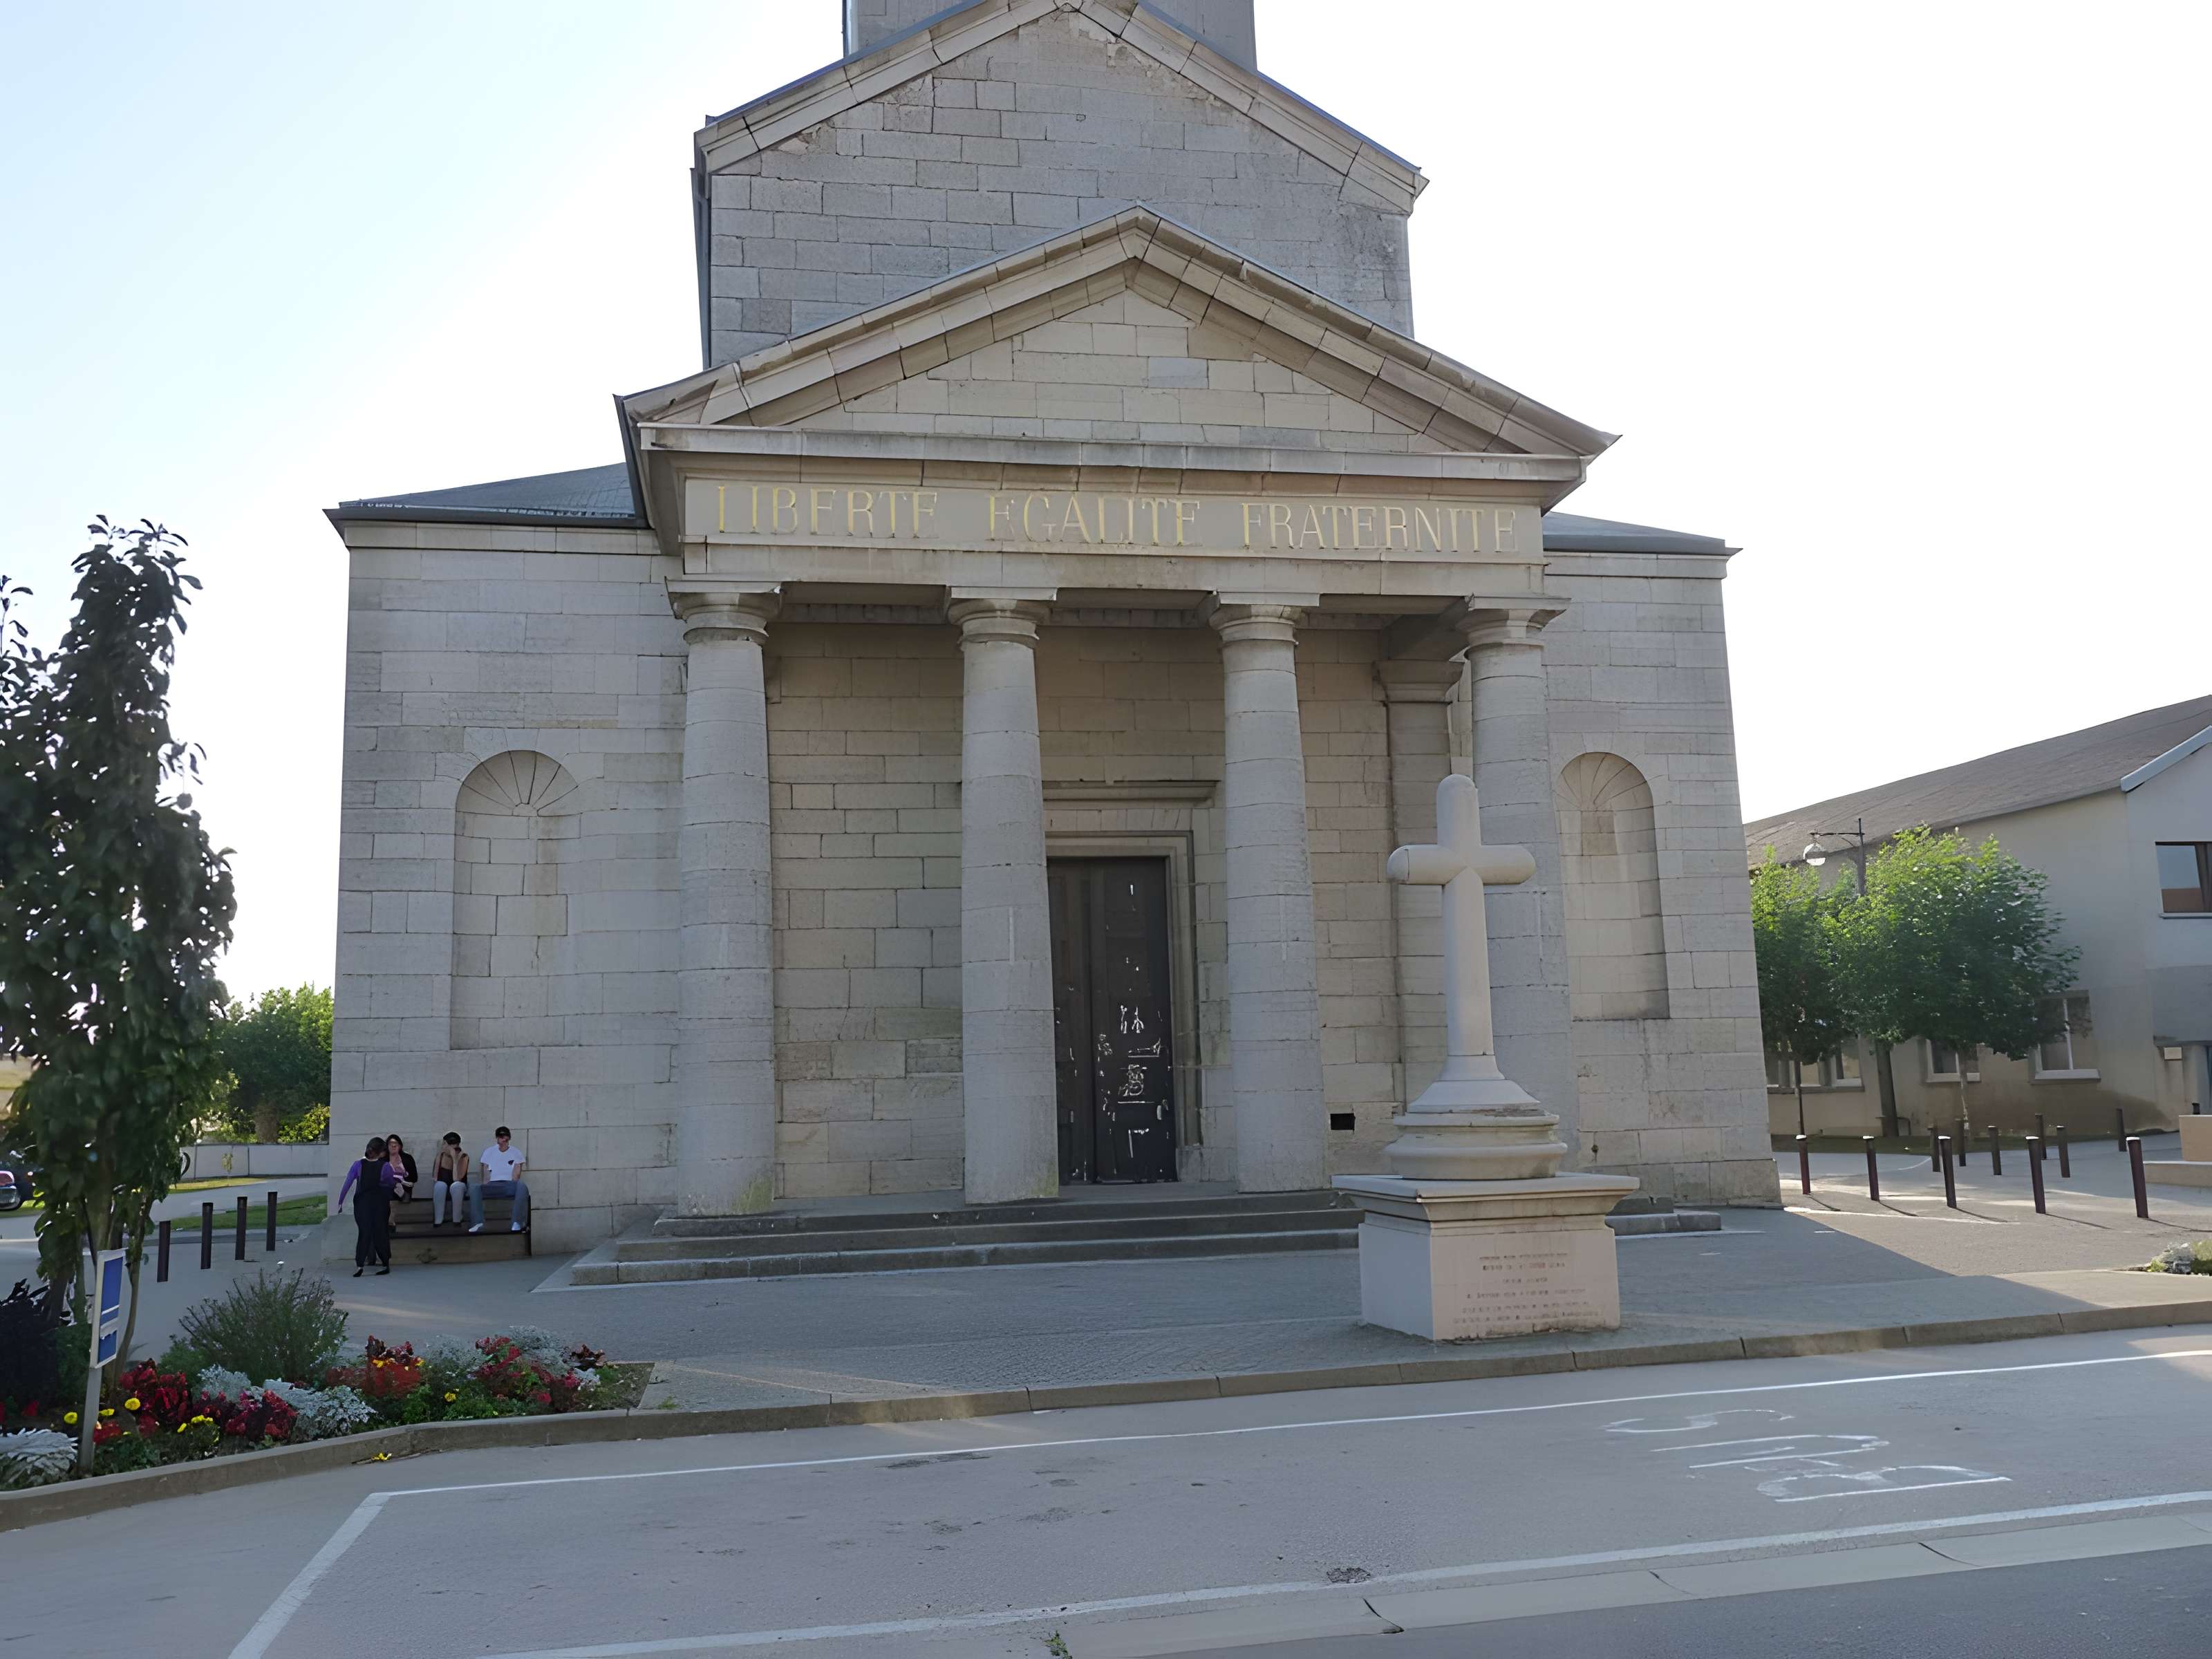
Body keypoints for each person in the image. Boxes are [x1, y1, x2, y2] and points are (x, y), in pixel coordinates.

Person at [337, 1136, 400, 1276]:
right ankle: (385, 1263)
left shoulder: (358, 1165)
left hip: (362, 1203)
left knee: (364, 1232)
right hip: (380, 1203)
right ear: (381, 1152)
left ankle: (360, 1264)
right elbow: (391, 1183)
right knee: (381, 1232)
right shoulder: (385, 1167)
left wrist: (340, 1202)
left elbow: (348, 1183)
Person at [468, 1126, 529, 1234]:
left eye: (506, 1137)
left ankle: (517, 1223)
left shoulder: (516, 1153)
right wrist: (486, 1185)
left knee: (522, 1186)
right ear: (497, 1138)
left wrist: (512, 1182)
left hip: (508, 1185)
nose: (503, 1140)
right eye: (501, 1137)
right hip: (492, 1185)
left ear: (509, 1138)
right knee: (474, 1187)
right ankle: (477, 1222)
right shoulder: (489, 1152)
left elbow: (516, 1176)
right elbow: (486, 1174)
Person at [429, 1132, 471, 1226]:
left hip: (460, 1187)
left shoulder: (464, 1156)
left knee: (456, 1186)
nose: (444, 1147)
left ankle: (457, 1219)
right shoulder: (440, 1156)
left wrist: (455, 1160)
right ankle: (438, 1220)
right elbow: (435, 1178)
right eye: (445, 1144)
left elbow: (457, 1179)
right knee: (440, 1185)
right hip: (444, 1186)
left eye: (446, 1144)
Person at [383, 1134, 418, 1202]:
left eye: (395, 1144)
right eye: (390, 1145)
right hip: (389, 1190)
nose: (393, 1147)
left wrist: (401, 1181)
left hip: (405, 1189)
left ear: (400, 1146)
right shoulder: (384, 1160)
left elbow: (414, 1178)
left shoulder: (408, 1158)